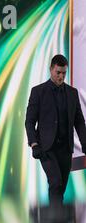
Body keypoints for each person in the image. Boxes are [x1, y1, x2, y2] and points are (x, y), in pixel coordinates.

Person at [25, 54, 86, 204]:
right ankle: (57, 220)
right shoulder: (38, 91)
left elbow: (79, 121)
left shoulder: (72, 93)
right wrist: (34, 144)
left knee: (60, 188)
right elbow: (29, 121)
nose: (61, 76)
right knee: (55, 182)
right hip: (47, 148)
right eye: (58, 72)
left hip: (66, 148)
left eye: (64, 73)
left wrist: (85, 143)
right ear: (51, 69)